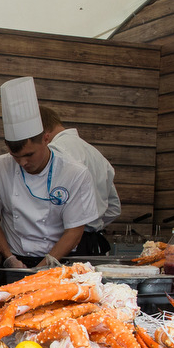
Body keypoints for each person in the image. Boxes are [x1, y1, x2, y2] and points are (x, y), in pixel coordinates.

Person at [0, 77, 97, 269]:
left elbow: (74, 230)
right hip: (15, 261)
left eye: (29, 154)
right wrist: (8, 258)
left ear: (46, 139)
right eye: (15, 156)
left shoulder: (74, 173)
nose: (23, 162)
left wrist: (43, 267)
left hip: (59, 262)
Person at [41, 106, 121, 256]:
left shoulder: (54, 152)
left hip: (64, 244)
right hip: (94, 244)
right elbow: (114, 208)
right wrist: (93, 223)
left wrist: (78, 226)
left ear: (43, 132)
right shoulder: (96, 154)